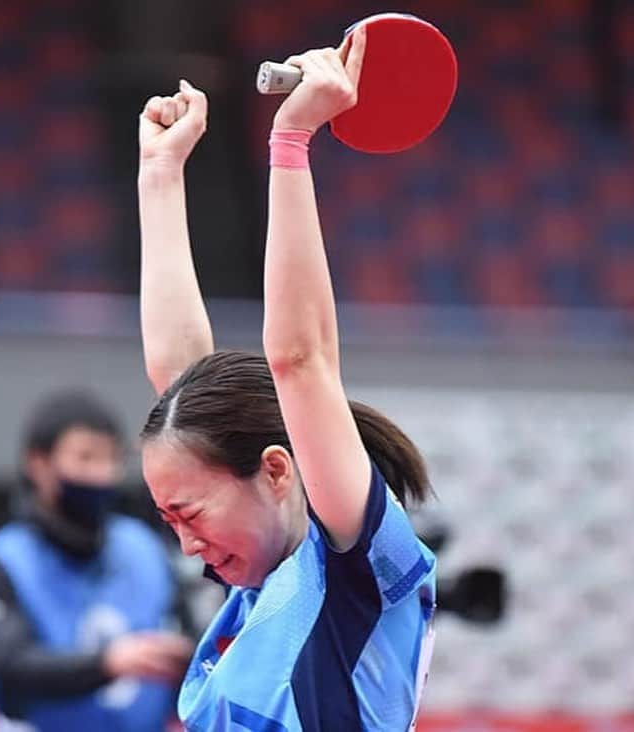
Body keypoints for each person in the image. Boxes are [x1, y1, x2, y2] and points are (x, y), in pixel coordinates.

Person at [137, 25, 436, 732]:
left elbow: (302, 361)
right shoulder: (260, 579)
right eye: (170, 520)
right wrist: (159, 177)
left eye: (189, 515)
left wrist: (291, 142)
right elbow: (182, 378)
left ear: (275, 471)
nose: (187, 547)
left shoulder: (349, 567)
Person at [0, 389, 194, 732]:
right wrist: (108, 663)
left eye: (112, 459)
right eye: (85, 458)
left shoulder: (145, 546)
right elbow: (10, 662)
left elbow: (192, 635)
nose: (103, 475)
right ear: (37, 463)